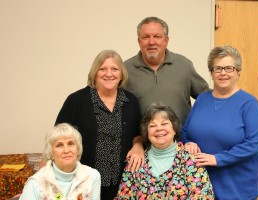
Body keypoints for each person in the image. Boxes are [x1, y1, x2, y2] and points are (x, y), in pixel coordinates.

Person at [55, 50, 144, 200]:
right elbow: (56, 138)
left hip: (122, 183)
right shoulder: (76, 100)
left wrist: (138, 145)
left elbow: (138, 134)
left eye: (114, 69)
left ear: (121, 74)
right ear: (95, 73)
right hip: (82, 183)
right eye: (103, 69)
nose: (109, 74)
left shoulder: (131, 101)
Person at [181, 45, 258, 200]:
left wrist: (217, 159)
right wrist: (188, 143)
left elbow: (254, 144)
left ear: (238, 72)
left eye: (229, 68)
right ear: (211, 73)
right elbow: (185, 131)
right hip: (201, 182)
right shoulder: (202, 100)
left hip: (237, 186)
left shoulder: (249, 104)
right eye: (217, 68)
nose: (223, 73)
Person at [115, 103, 214, 199]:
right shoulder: (136, 161)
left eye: (164, 123)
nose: (159, 129)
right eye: (152, 125)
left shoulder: (191, 159)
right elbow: (123, 197)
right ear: (146, 132)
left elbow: (203, 196)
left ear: (174, 129)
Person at [124, 16, 209, 124]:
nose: (151, 42)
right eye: (145, 37)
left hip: (180, 140)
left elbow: (207, 97)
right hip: (141, 140)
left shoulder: (184, 65)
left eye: (157, 36)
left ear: (166, 40)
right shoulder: (125, 70)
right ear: (139, 41)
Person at [20, 123, 101, 200]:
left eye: (70, 143)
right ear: (51, 153)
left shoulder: (92, 176)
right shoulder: (35, 183)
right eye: (59, 145)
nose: (66, 150)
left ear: (78, 149)